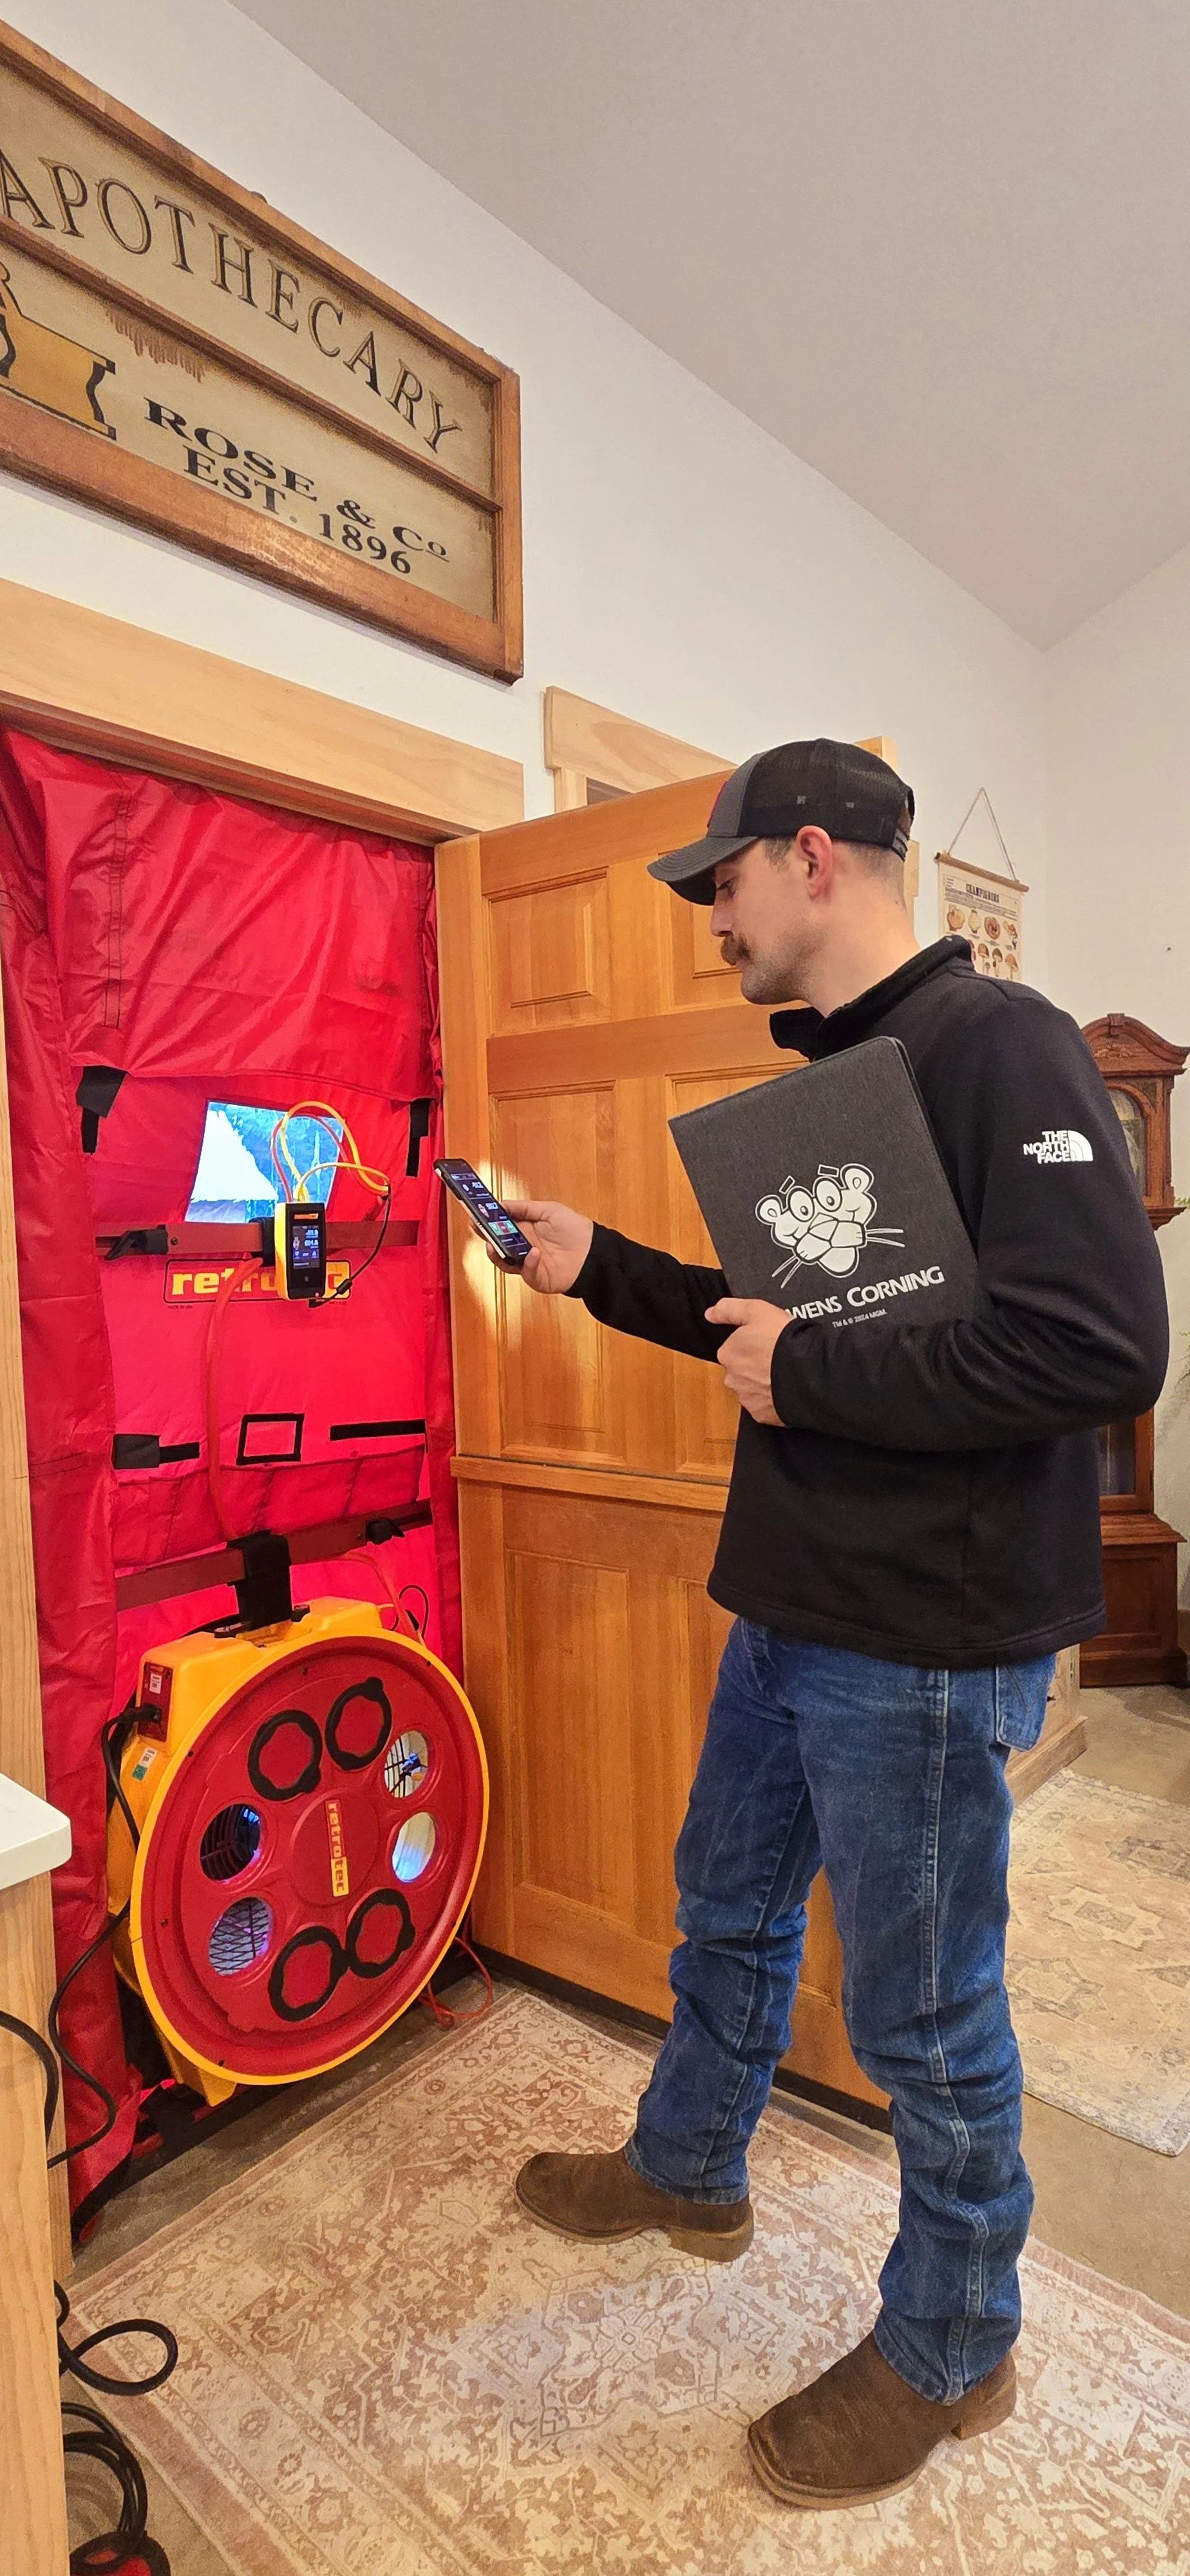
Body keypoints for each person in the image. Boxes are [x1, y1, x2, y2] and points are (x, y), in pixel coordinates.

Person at [485, 739, 1168, 2512]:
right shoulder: (842, 1074)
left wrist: (814, 1362)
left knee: (927, 2019)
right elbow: (774, 1335)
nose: (713, 921)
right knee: (723, 1908)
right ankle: (693, 2162)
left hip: (928, 1640)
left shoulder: (1003, 1045)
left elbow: (1103, 1349)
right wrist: (596, 1267)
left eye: (722, 883)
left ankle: (955, 2346)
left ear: (811, 857)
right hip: (797, 1598)